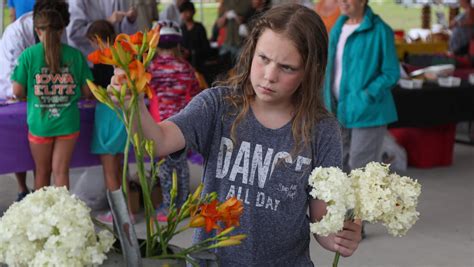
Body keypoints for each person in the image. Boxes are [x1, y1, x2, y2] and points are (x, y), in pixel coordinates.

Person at [112, 4, 361, 265]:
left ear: (310, 70)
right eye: (263, 58)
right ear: (251, 50)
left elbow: (321, 215)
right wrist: (133, 105)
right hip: (211, 261)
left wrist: (338, 236)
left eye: (287, 67)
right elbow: (156, 143)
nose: (269, 75)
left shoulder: (322, 129)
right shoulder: (217, 105)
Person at [323, 0, 399, 236]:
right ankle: (343, 217)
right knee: (341, 164)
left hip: (368, 111)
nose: (343, 1)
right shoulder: (339, 26)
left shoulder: (380, 30)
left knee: (360, 167)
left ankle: (355, 225)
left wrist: (366, 95)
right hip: (338, 109)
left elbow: (391, 72)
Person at [11, 0, 93, 190]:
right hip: (68, 123)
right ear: (62, 30)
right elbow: (88, 92)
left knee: (42, 172)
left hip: (40, 124)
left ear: (38, 30)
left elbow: (17, 91)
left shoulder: (28, 55)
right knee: (61, 172)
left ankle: (43, 218)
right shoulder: (76, 56)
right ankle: (63, 218)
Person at [0, 0, 69, 201]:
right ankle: (23, 189)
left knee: (42, 166)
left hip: (42, 102)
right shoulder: (16, 34)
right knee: (22, 149)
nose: (56, 35)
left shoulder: (57, 31)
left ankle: (44, 203)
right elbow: (13, 82)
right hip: (15, 94)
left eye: (59, 30)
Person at [147, 20, 201, 222]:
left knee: (165, 168)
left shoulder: (150, 69)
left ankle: (168, 208)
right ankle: (183, 204)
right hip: (183, 124)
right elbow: (195, 94)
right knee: (181, 166)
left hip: (159, 124)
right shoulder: (186, 68)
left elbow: (144, 96)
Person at [85, 20, 136, 224]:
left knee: (110, 169)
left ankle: (119, 215)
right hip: (124, 117)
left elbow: (93, 90)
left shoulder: (102, 60)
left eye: (92, 42)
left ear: (97, 39)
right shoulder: (125, 57)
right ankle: (129, 212)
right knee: (122, 168)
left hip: (107, 117)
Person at [66, 0, 138, 57]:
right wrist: (108, 22)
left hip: (115, 56)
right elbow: (74, 33)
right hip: (90, 61)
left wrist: (130, 20)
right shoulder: (76, 2)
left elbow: (125, 35)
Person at [179, 1, 211, 75]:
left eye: (186, 11)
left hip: (198, 65)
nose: (184, 14)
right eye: (182, 12)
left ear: (193, 12)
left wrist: (191, 52)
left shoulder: (199, 28)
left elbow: (206, 48)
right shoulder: (181, 29)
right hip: (184, 66)